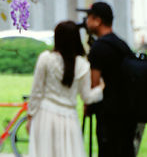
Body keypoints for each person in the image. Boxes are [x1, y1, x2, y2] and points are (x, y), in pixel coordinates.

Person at [26, 20, 104, 157]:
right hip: (69, 118)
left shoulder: (45, 59)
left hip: (45, 115)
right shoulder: (82, 65)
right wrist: (101, 88)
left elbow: (36, 92)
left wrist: (30, 116)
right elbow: (87, 97)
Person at [81, 1, 140, 157]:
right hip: (128, 113)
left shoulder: (99, 48)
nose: (86, 21)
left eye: (89, 17)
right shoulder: (121, 45)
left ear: (98, 20)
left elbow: (94, 84)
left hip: (108, 115)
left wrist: (88, 104)